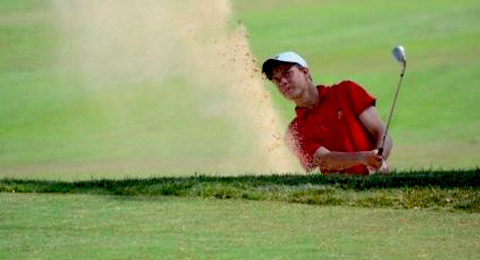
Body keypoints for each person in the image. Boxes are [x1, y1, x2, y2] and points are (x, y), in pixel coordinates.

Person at [262, 51, 392, 174]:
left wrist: (379, 160)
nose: (282, 82)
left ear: (305, 72)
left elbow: (381, 132)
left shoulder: (346, 91)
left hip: (376, 182)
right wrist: (363, 158)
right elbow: (324, 160)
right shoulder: (294, 132)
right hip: (340, 193)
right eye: (276, 80)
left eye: (287, 73)